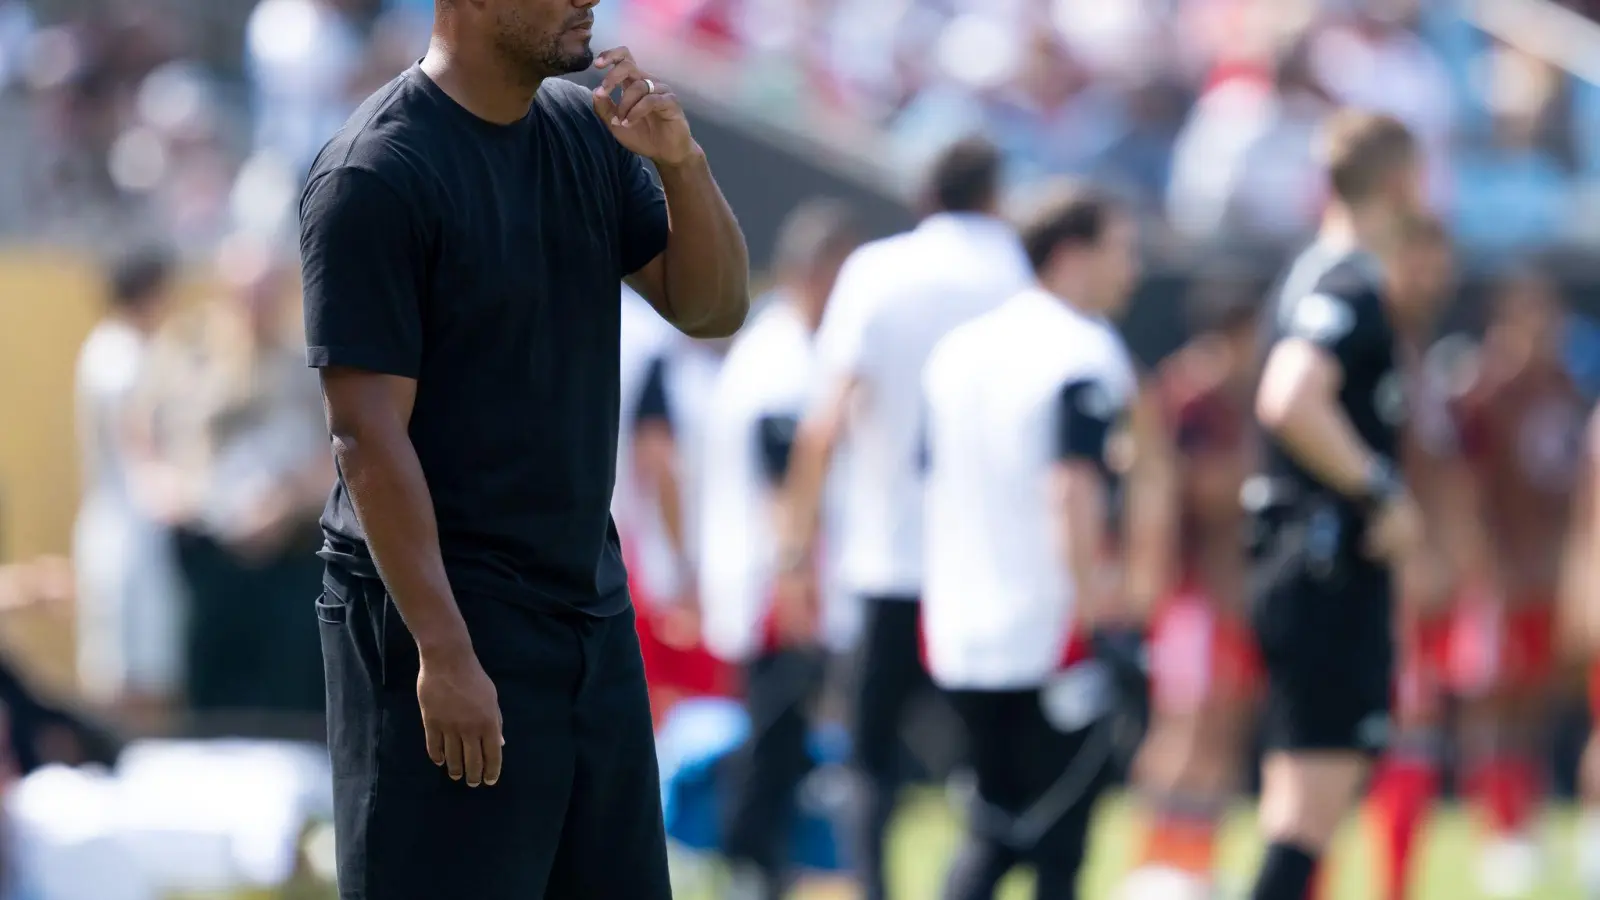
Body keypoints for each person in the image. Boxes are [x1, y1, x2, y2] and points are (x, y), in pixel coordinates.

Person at [298, 0, 749, 894]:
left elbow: (713, 309)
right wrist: (445, 651)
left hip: (586, 607)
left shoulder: (588, 133)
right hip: (441, 622)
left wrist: (684, 165)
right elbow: (366, 432)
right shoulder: (375, 170)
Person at [775, 136, 1034, 900]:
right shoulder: (1017, 274)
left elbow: (824, 423)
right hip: (990, 561)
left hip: (887, 553)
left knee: (870, 762)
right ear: (994, 193)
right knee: (996, 766)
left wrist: (795, 552)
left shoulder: (878, 271)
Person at [921, 183, 1152, 900]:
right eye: (1121, 250)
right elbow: (1071, 488)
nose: (1133, 269)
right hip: (1051, 628)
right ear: (1073, 253)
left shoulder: (959, 349)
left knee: (990, 829)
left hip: (959, 627)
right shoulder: (1082, 348)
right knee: (1056, 842)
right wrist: (1097, 607)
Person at [1245, 110, 1429, 900]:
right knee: (1311, 813)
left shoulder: (1306, 272)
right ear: (1399, 182)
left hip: (1293, 562)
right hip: (1324, 568)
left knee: (1296, 801)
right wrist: (1377, 487)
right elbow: (1289, 396)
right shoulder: (1348, 283)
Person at [698, 199, 862, 900]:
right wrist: (795, 574)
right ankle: (747, 868)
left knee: (786, 738)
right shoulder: (782, 352)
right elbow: (779, 470)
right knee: (772, 735)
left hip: (781, 571)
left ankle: (764, 868)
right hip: (776, 577)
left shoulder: (785, 344)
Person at [1435, 268, 1587, 898]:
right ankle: (1496, 830)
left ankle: (1524, 821)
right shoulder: (1482, 391)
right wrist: (1478, 564)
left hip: (1549, 576)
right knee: (1493, 704)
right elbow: (1462, 485)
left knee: (1535, 701)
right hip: (1497, 575)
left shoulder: (1565, 389)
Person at [143, 240, 333, 724]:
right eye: (246, 294)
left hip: (291, 551)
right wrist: (177, 494)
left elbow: (337, 453)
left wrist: (285, 503)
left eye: (267, 293)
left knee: (289, 696)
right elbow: (150, 442)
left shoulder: (308, 363)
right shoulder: (189, 359)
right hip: (209, 550)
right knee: (211, 696)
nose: (255, 307)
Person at [1119, 281, 1260, 898]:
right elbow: (1194, 487)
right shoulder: (1189, 398)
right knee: (1184, 727)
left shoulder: (1235, 399)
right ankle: (1154, 864)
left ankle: (1194, 864)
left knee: (1222, 731)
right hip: (1192, 592)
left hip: (1232, 594)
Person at [1363, 214, 1478, 900]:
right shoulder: (1368, 346)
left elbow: (1438, 468)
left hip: (1413, 575)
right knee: (1348, 747)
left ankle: (1396, 886)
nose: (1435, 278)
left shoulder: (1416, 355)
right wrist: (1406, 555)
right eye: (1421, 262)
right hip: (1374, 580)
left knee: (1413, 732)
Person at [71, 246, 184, 727]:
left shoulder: (120, 348)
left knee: (146, 664)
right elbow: (135, 443)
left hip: (127, 524)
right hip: (128, 527)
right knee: (125, 671)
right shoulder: (120, 355)